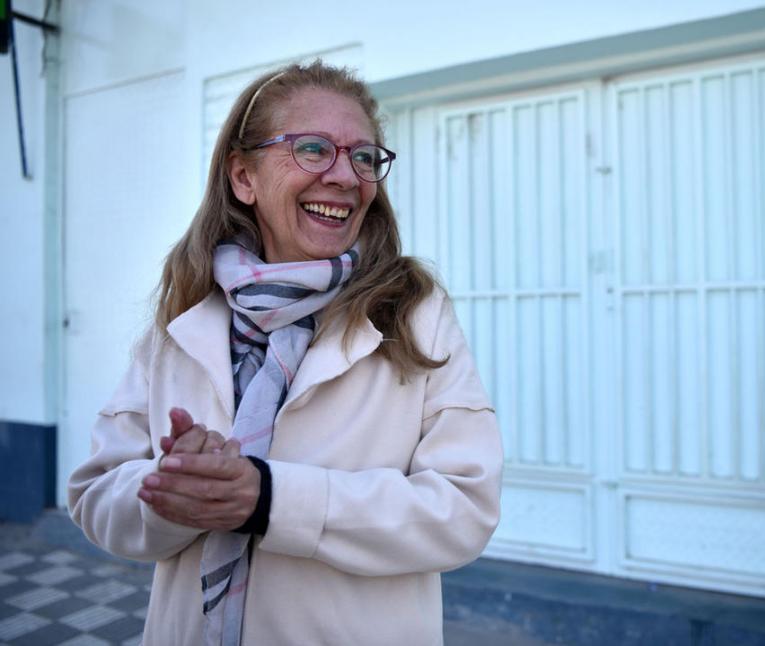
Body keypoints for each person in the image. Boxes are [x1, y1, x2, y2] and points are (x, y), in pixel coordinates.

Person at [68, 61, 503, 646]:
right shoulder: (183, 321)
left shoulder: (414, 315)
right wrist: (174, 491)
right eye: (314, 149)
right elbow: (96, 495)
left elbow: (464, 510)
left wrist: (267, 498)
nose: (347, 177)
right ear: (243, 177)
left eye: (364, 156)